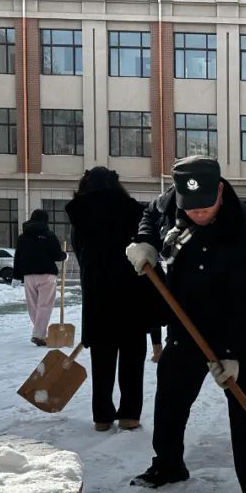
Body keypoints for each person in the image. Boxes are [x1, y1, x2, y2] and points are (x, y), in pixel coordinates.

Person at [125, 155, 246, 493]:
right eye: (191, 208)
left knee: (243, 401)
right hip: (184, 320)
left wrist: (233, 354)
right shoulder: (172, 201)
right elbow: (151, 214)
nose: (198, 213)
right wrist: (146, 241)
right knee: (171, 396)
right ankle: (168, 464)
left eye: (205, 207)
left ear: (220, 190)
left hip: (231, 326)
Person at [67, 167, 160, 432]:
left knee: (102, 360)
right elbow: (145, 247)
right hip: (131, 294)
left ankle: (102, 417)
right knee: (132, 357)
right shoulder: (133, 211)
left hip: (98, 295)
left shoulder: (79, 214)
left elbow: (81, 254)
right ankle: (130, 415)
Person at [12, 209, 67, 346]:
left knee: (33, 306)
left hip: (29, 276)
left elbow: (17, 258)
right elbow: (56, 255)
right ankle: (38, 334)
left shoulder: (22, 237)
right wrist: (64, 256)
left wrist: (16, 276)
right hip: (46, 275)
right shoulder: (48, 235)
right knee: (44, 305)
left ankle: (38, 332)